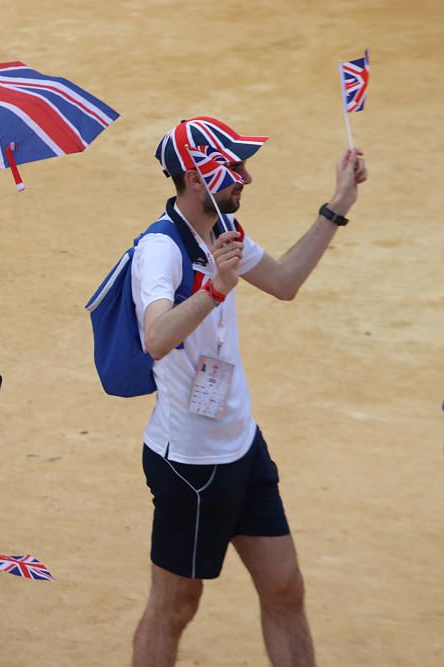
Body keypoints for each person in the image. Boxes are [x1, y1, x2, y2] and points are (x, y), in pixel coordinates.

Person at [129, 117, 367, 667]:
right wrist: (214, 288)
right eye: (234, 167)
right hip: (189, 463)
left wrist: (338, 203)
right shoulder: (159, 250)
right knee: (175, 606)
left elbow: (283, 282)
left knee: (285, 588)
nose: (247, 177)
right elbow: (156, 338)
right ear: (194, 177)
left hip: (241, 446)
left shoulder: (223, 231)